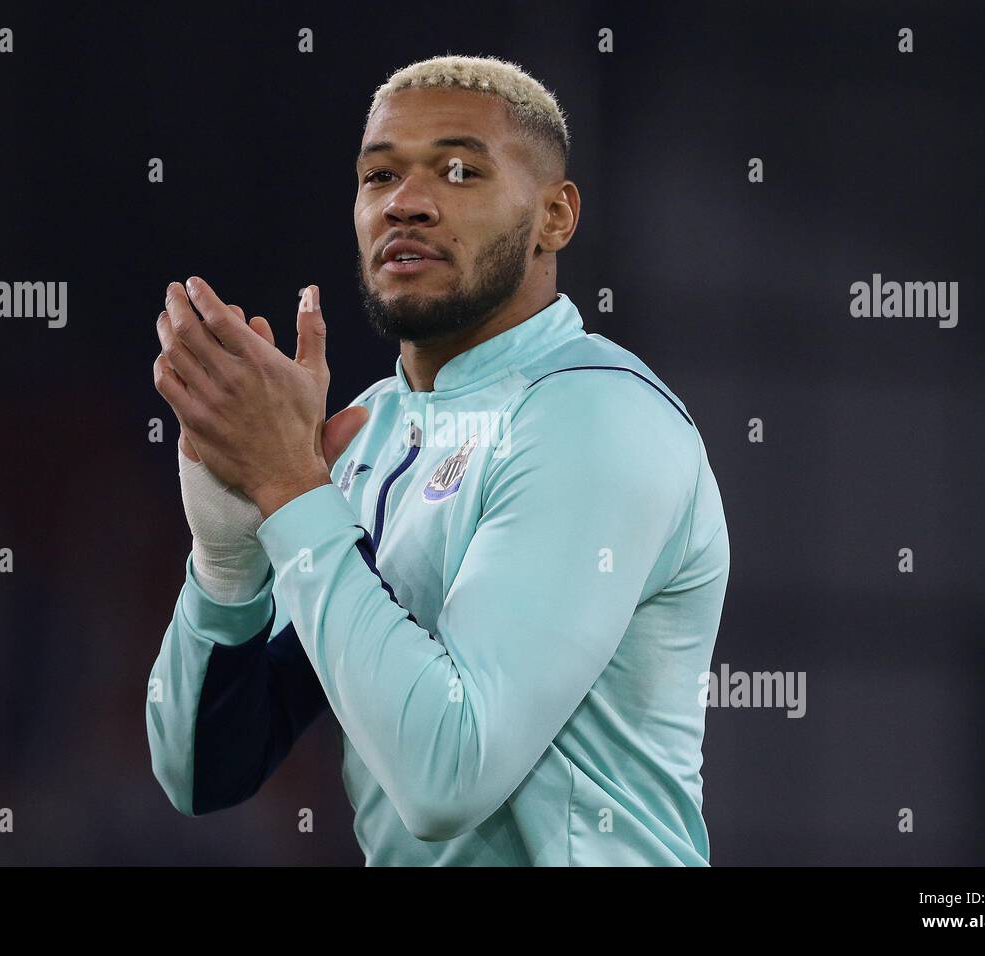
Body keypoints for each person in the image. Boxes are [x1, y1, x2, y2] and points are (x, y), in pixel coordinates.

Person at [146, 53, 729, 866]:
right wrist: (227, 554)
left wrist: (287, 486)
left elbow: (446, 777)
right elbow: (204, 771)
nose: (407, 205)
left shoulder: (594, 415)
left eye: (458, 171)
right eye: (379, 176)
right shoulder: (371, 434)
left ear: (555, 218)